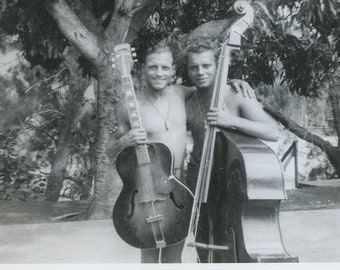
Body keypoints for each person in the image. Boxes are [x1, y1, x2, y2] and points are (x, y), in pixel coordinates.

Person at [106, 44, 255, 263]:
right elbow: (109, 150)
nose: (159, 73)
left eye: (164, 68)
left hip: (178, 187)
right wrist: (123, 141)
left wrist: (234, 82)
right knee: (148, 256)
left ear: (173, 70)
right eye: (153, 67)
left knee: (174, 256)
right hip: (146, 186)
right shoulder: (129, 105)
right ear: (142, 69)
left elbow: (211, 85)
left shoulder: (181, 93)